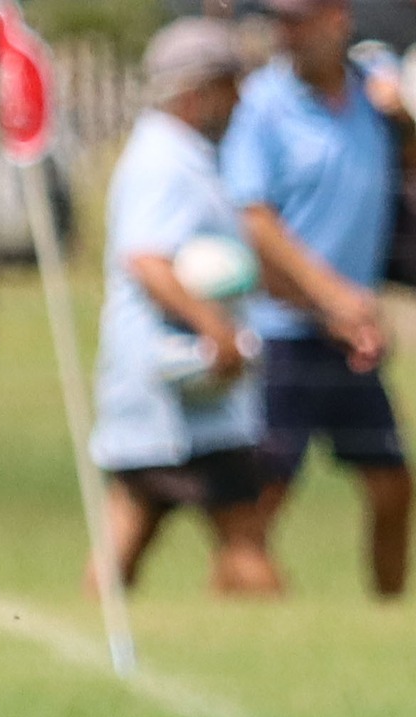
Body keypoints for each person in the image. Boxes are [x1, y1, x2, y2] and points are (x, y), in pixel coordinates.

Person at [220, 0, 416, 598]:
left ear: (337, 21)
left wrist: (404, 120)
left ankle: (392, 619)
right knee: (262, 497)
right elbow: (254, 220)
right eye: (279, 21)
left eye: (298, 21)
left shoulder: (373, 91)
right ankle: (225, 615)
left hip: (349, 330)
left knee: (392, 484)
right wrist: (330, 296)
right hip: (284, 328)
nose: (285, 34)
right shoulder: (263, 104)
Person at [88, 20, 280, 595]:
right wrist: (214, 329)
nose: (239, 100)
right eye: (230, 85)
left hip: (169, 396)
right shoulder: (163, 162)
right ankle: (285, 644)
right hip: (177, 389)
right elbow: (147, 259)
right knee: (242, 531)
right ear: (196, 92)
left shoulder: (181, 155)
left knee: (134, 522)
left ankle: (90, 631)